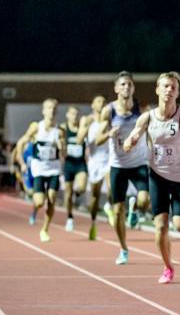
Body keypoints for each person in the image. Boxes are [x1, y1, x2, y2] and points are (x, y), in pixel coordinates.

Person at [123, 72, 180, 283]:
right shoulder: (148, 118)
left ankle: (171, 227)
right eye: (165, 86)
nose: (169, 90)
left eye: (173, 87)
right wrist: (130, 142)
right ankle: (168, 267)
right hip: (157, 176)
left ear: (178, 92)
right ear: (157, 90)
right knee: (161, 227)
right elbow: (131, 138)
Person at [99, 71, 151, 265]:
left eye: (129, 84)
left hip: (138, 163)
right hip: (118, 165)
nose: (126, 88)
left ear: (133, 88)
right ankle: (123, 249)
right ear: (116, 88)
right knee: (118, 210)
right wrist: (109, 134)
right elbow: (97, 139)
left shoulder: (141, 108)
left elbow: (153, 129)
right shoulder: (108, 111)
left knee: (145, 201)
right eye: (122, 85)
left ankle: (135, 208)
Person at [15, 98, 65, 242]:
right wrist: (22, 161)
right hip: (39, 169)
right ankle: (35, 209)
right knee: (39, 202)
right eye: (49, 108)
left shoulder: (60, 131)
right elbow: (21, 143)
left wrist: (62, 148)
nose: (52, 110)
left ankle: (45, 229)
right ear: (43, 111)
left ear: (57, 111)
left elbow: (64, 154)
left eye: (54, 108)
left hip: (54, 169)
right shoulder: (37, 127)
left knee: (52, 198)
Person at [81, 95, 109, 241]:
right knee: (94, 197)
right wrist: (85, 127)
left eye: (104, 102)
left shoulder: (109, 120)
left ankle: (109, 206)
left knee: (112, 188)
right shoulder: (87, 120)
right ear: (92, 105)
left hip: (109, 160)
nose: (102, 104)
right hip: (94, 162)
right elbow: (79, 139)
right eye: (99, 101)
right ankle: (93, 222)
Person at [60, 106, 88, 232]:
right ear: (67, 115)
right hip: (69, 163)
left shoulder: (83, 128)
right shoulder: (64, 128)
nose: (74, 116)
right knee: (68, 193)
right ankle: (70, 217)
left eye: (77, 114)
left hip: (80, 162)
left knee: (81, 187)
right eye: (72, 114)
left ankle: (77, 194)